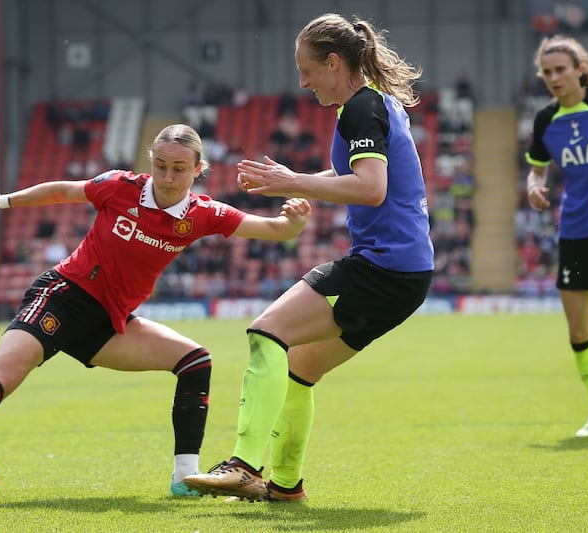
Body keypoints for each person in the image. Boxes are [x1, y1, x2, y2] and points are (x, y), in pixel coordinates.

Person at [0, 124, 311, 496]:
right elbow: (62, 191)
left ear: (198, 169)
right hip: (62, 296)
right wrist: (2, 201)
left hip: (108, 323)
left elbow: (272, 229)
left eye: (179, 169)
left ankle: (185, 477)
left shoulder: (203, 214)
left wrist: (293, 224)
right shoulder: (121, 186)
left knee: (195, 360)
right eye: (161, 165)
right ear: (150, 161)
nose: (168, 176)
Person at [183, 13, 434, 502]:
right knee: (298, 370)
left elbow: (371, 188)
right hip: (405, 272)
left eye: (307, 70)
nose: (303, 82)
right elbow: (356, 171)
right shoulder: (369, 105)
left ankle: (242, 466)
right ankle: (285, 487)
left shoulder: (362, 108)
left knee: (266, 332)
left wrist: (292, 182)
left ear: (334, 62)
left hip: (384, 267)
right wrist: (297, 177)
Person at [524, 35, 588, 437]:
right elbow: (537, 168)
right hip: (576, 232)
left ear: (579, 70)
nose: (553, 77)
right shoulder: (545, 120)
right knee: (578, 332)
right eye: (547, 72)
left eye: (561, 70)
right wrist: (534, 185)